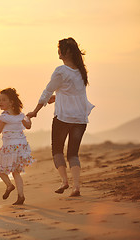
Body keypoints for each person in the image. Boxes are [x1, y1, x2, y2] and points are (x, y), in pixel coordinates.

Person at [27, 37, 94, 197]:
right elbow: (74, 94)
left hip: (63, 118)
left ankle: (64, 181)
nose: (58, 53)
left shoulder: (61, 71)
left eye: (60, 50)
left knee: (57, 150)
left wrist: (35, 111)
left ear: (67, 52)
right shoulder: (81, 71)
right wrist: (58, 97)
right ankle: (76, 186)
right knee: (73, 153)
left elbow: (47, 91)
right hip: (80, 119)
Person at [0, 88, 34, 205]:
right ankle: (21, 196)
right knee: (16, 172)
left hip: (10, 147)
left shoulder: (4, 117)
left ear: (11, 102)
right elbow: (28, 126)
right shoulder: (20, 115)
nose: (0, 102)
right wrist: (29, 118)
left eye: (3, 100)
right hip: (21, 146)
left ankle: (9, 185)